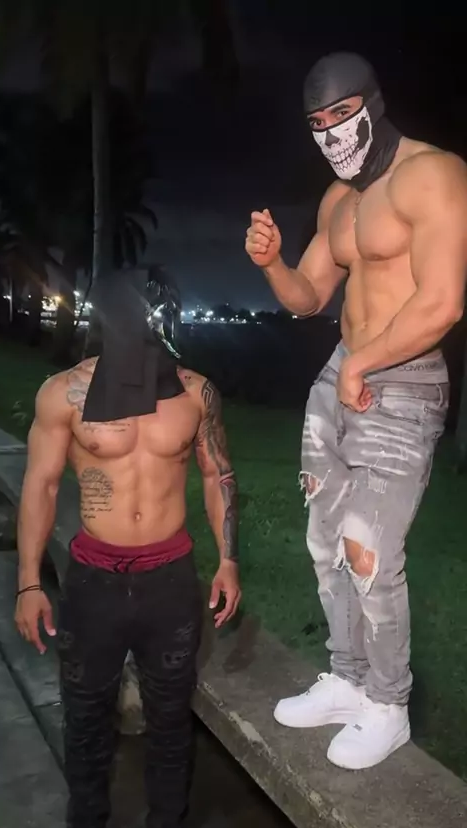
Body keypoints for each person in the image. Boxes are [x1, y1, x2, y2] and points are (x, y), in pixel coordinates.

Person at [245, 52, 467, 771]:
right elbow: (310, 296)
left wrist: (363, 364)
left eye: (342, 114)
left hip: (402, 381)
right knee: (326, 541)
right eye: (318, 122)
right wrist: (273, 264)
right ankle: (347, 678)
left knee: (370, 550)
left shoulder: (434, 174)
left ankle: (389, 704)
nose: (332, 132)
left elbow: (442, 302)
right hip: (342, 375)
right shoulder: (338, 200)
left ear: (373, 102)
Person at [14, 269, 241, 828]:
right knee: (85, 715)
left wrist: (228, 559)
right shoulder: (63, 393)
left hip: (170, 580)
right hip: (95, 581)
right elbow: (40, 486)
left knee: (170, 719)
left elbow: (216, 474)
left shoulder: (195, 393)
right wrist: (29, 583)